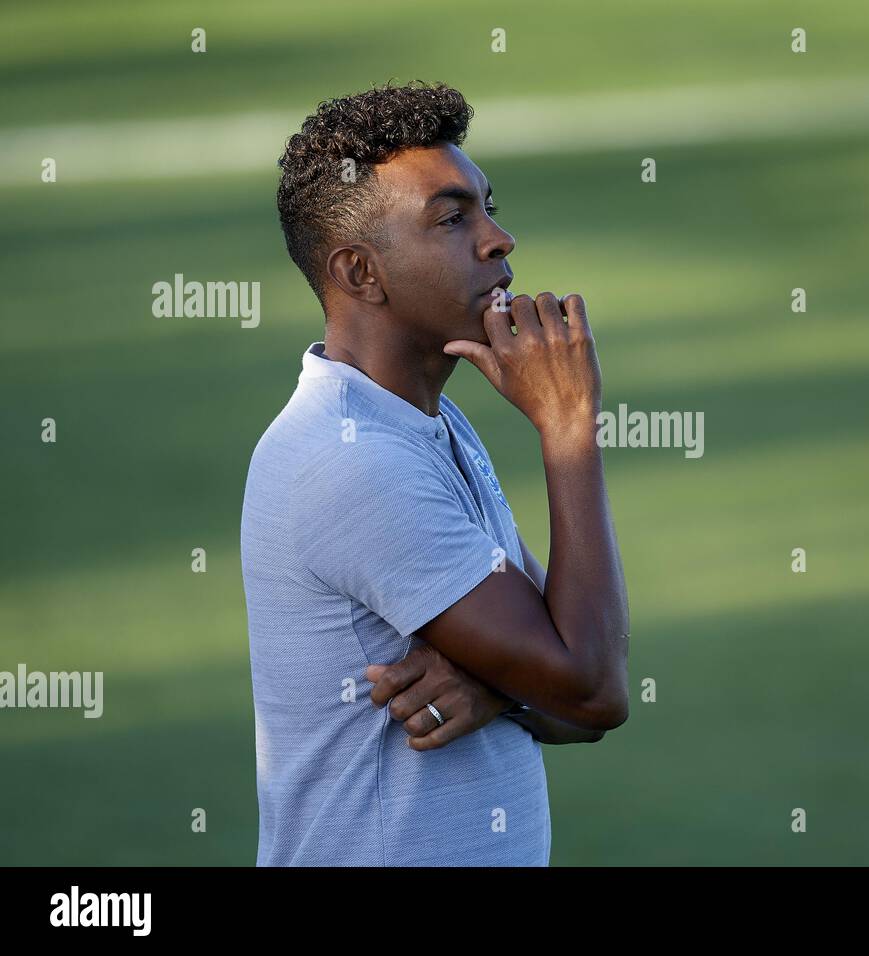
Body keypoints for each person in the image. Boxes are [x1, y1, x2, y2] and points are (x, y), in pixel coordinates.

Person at [240, 81, 630, 866]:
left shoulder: (424, 426)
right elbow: (593, 687)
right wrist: (567, 430)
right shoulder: (352, 462)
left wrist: (501, 688)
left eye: (487, 207)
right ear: (360, 273)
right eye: (453, 219)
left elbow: (577, 688)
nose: (500, 239)